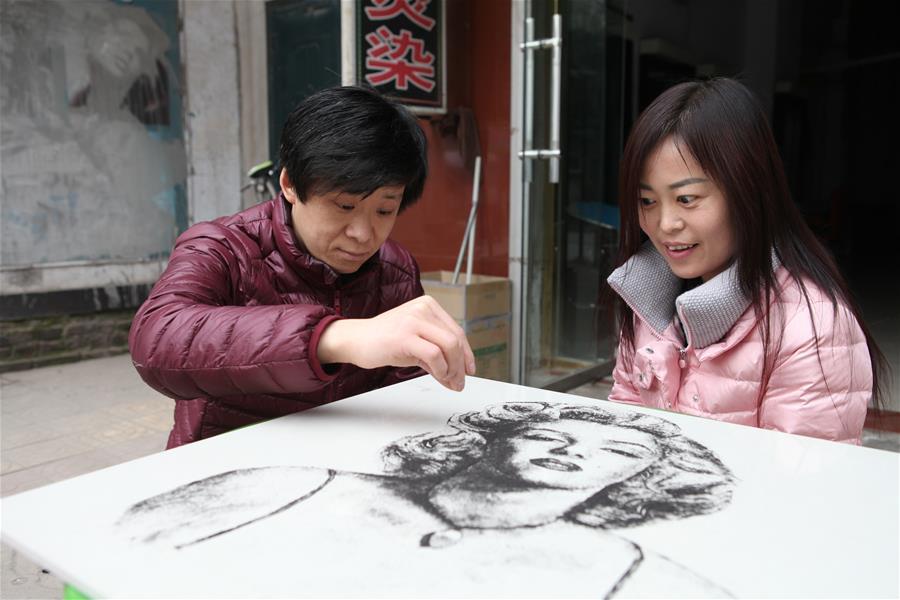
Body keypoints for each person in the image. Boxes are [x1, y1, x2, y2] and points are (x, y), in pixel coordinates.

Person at [129, 86, 475, 449]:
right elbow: (157, 339)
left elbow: (403, 396)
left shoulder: (396, 269)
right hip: (227, 461)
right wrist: (333, 337)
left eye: (384, 210)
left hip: (343, 464)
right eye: (344, 206)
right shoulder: (222, 247)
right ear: (290, 184)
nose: (363, 233)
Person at [118, 402, 735, 597]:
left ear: (641, 480)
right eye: (549, 434)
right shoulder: (286, 486)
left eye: (619, 452)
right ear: (497, 437)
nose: (573, 450)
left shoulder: (634, 575)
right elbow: (119, 557)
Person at [606, 77, 887, 444]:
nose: (665, 224)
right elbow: (622, 425)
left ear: (748, 191)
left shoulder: (811, 327)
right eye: (647, 201)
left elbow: (802, 473)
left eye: (687, 199)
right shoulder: (645, 295)